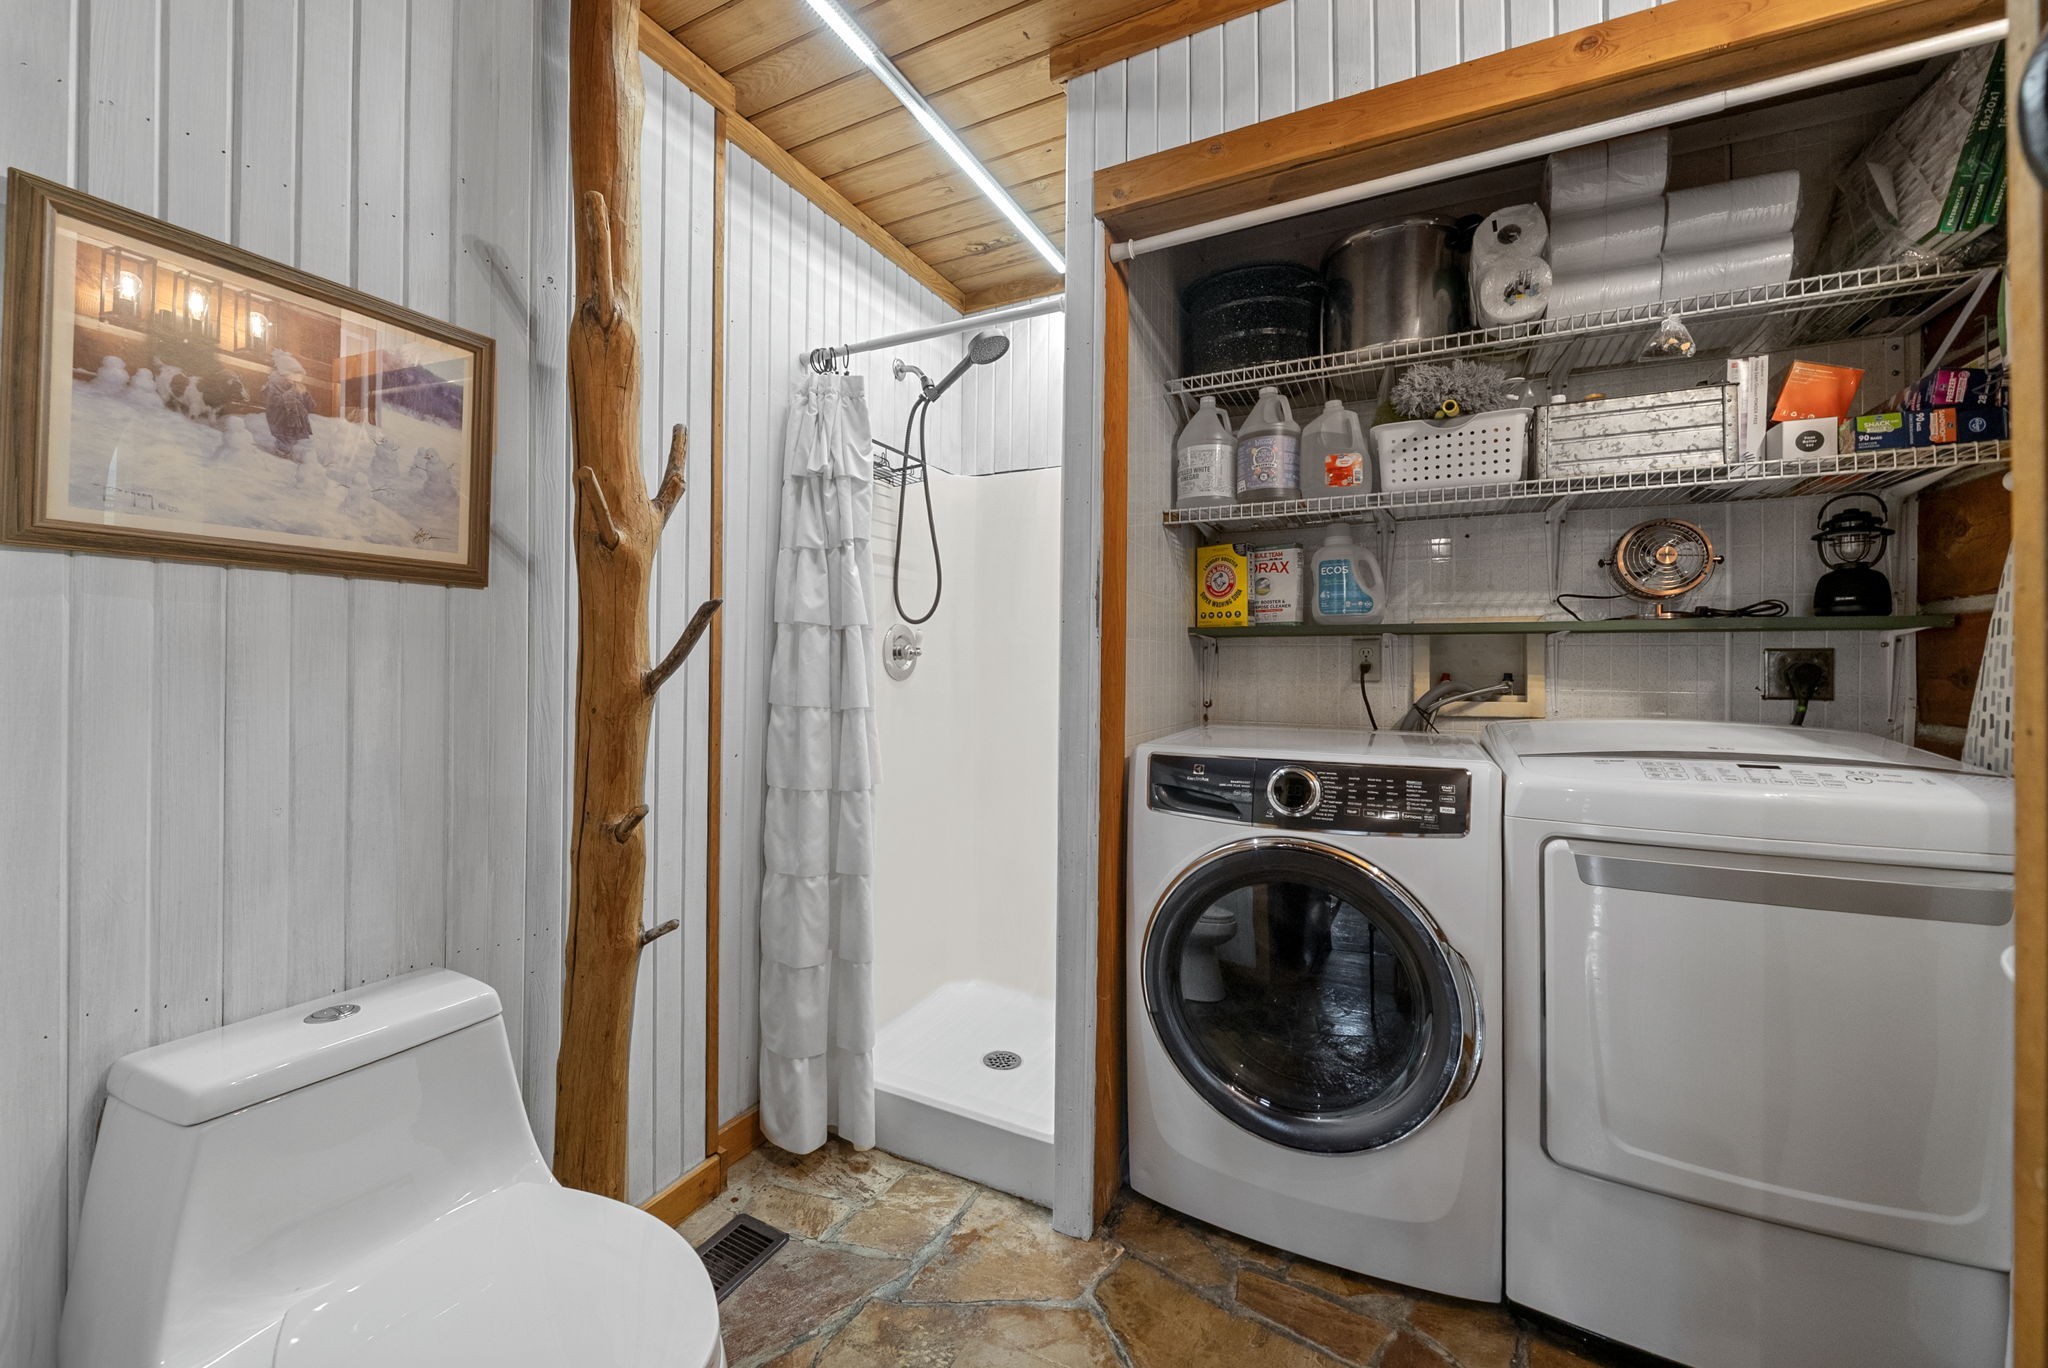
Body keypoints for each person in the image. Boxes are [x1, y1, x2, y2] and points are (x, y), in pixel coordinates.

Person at [263, 350, 314, 458]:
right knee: (284, 438)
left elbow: (309, 405)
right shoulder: (275, 385)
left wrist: (305, 396)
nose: (297, 378)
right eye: (294, 374)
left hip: (294, 421)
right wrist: (290, 395)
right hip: (281, 419)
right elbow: (274, 402)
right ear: (285, 373)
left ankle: (286, 455)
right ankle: (281, 456)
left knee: (291, 439)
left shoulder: (296, 386)